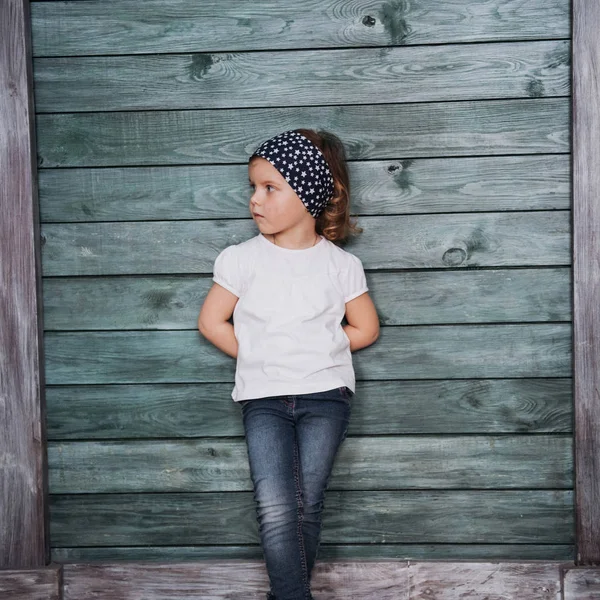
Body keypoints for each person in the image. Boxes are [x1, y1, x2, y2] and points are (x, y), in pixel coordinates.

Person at [198, 129, 380, 600]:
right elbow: (212, 322)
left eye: (270, 188)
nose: (256, 200)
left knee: (307, 504)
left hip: (326, 399)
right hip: (264, 400)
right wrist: (264, 353)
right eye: (252, 188)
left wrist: (313, 351)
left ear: (309, 193)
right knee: (276, 505)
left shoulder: (340, 266)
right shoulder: (241, 260)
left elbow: (364, 329)